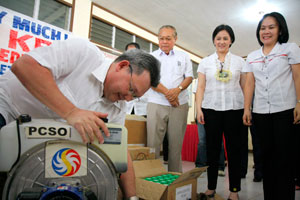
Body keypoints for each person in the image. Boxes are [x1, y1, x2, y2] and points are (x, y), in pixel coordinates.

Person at [0, 38, 161, 199]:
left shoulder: (118, 108)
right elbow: (24, 66)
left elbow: (119, 149)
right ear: (122, 66)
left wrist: (131, 197)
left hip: (41, 147)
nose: (127, 98)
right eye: (131, 89)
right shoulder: (84, 53)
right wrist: (71, 112)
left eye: (134, 97)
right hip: (9, 109)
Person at [243, 12, 300, 200]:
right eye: (262, 28)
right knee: (266, 159)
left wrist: (299, 102)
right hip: (260, 112)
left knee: (285, 159)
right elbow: (250, 83)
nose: (266, 31)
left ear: (280, 29)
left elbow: (297, 76)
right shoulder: (252, 56)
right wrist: (246, 109)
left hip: (285, 110)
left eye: (271, 27)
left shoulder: (289, 49)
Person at [196, 24, 246, 200]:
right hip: (211, 109)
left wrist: (247, 109)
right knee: (212, 150)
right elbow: (200, 87)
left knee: (234, 151)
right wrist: (198, 109)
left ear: (231, 40)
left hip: (235, 109)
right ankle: (210, 188)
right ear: (214, 41)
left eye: (225, 38)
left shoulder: (240, 61)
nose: (222, 41)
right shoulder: (205, 62)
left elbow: (245, 87)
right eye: (218, 38)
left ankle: (234, 190)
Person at [147, 25, 193, 172]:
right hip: (156, 103)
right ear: (158, 39)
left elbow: (189, 77)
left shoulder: (183, 56)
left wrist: (177, 91)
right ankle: (151, 179)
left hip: (179, 105)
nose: (164, 42)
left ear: (175, 39)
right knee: (152, 145)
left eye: (168, 38)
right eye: (161, 38)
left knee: (175, 146)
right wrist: (169, 95)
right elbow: (151, 80)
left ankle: (175, 181)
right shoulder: (151, 57)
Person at [193, 79, 226, 176]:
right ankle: (200, 165)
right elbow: (197, 95)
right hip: (203, 111)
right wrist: (198, 111)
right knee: (202, 140)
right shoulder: (200, 77)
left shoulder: (219, 75)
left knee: (218, 140)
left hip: (217, 111)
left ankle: (220, 166)